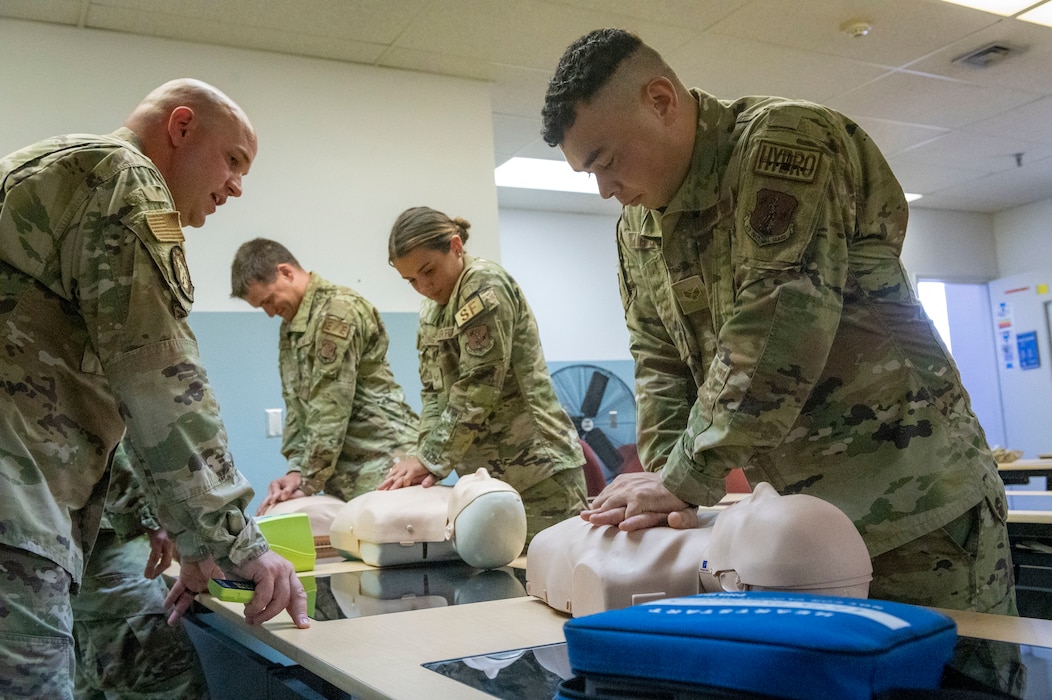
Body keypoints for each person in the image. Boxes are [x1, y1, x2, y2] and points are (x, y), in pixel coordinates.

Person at [540, 29, 1016, 617]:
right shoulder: (638, 230)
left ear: (660, 101)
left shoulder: (783, 144)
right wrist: (666, 495)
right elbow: (660, 364)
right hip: (796, 539)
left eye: (605, 161)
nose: (605, 188)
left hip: (913, 509)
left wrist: (686, 477)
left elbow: (778, 328)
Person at [0, 79, 308, 699]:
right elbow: (158, 383)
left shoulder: (59, 172)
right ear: (181, 127)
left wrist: (183, 532)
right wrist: (234, 543)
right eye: (233, 161)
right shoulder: (125, 180)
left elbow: (110, 385)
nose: (237, 186)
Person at [382, 206, 588, 545]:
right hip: (484, 480)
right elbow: (434, 393)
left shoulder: (482, 284)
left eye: (428, 270)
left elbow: (479, 385)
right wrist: (423, 457)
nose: (423, 286)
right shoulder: (433, 309)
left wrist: (431, 458)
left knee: (554, 579)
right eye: (411, 280)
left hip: (536, 471)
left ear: (456, 246)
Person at [230, 237, 420, 513]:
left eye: (269, 300)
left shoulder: (338, 310)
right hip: (342, 472)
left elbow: (330, 405)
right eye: (262, 307)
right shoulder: (292, 324)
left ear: (286, 272)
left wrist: (306, 480)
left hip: (386, 463)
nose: (270, 313)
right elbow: (297, 406)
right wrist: (296, 469)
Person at [72, 443, 207, 699]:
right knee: (165, 687)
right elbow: (96, 435)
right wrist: (150, 516)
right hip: (107, 554)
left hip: (50, 556)